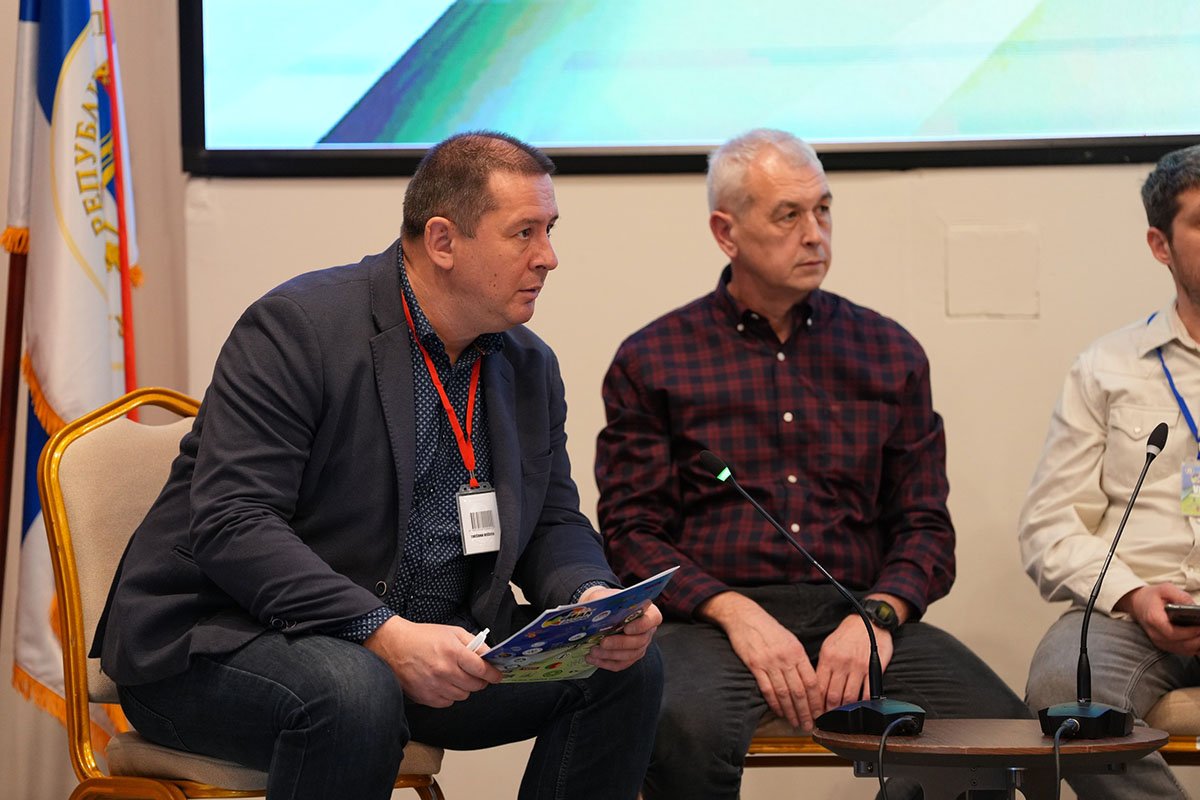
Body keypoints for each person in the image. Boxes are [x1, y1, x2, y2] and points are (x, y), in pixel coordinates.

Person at [93, 131, 663, 800]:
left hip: (431, 640)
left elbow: (550, 523)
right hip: (225, 639)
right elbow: (234, 522)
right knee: (355, 691)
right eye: (524, 233)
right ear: (443, 241)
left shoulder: (528, 364)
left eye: (550, 230)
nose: (549, 257)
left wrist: (590, 599)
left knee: (625, 667)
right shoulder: (298, 329)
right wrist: (382, 633)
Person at [595, 128, 1029, 799]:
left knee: (997, 736)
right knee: (677, 724)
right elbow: (632, 533)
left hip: (858, 609)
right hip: (711, 621)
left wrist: (876, 617)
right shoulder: (653, 360)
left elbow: (924, 527)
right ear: (726, 232)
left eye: (823, 210)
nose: (815, 234)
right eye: (788, 215)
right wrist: (733, 612)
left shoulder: (888, 352)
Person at [1021, 144, 1200, 799]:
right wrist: (1133, 594)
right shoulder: (1107, 367)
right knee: (1060, 690)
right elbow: (1047, 527)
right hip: (1132, 615)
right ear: (1160, 244)